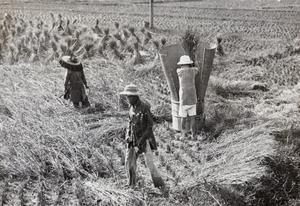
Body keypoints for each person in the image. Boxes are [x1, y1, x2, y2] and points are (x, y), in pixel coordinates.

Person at [120, 83, 165, 190]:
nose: (128, 98)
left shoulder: (145, 107)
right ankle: (131, 183)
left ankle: (159, 183)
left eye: (129, 96)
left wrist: (142, 140)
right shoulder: (131, 107)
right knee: (129, 161)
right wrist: (128, 136)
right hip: (132, 138)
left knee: (149, 162)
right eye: (127, 96)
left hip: (144, 139)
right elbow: (129, 122)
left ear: (135, 96)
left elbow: (150, 125)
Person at [177, 55, 199, 139]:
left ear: (181, 64)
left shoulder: (179, 71)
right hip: (192, 98)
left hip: (183, 98)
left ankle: (183, 135)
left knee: (183, 117)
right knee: (192, 117)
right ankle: (193, 135)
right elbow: (197, 69)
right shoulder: (193, 71)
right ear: (189, 63)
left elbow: (178, 69)